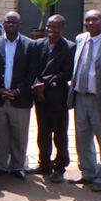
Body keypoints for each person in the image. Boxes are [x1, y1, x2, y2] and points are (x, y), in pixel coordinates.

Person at [68, 10, 101, 192]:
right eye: (87, 20)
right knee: (82, 138)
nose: (90, 23)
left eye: (94, 19)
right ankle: (88, 172)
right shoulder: (81, 39)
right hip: (81, 97)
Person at [0, 11, 38, 179]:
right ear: (3, 24)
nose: (10, 25)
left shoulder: (30, 45)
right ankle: (0, 165)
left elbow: (33, 72)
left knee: (19, 134)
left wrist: (18, 90)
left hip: (20, 98)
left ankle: (17, 166)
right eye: (7, 22)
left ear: (20, 25)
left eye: (14, 22)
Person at [27, 15, 75, 183]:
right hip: (40, 97)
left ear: (63, 28)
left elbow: (66, 73)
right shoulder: (38, 45)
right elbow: (32, 69)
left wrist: (44, 86)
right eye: (49, 26)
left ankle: (60, 166)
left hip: (58, 96)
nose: (51, 30)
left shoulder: (69, 47)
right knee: (42, 131)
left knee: (60, 133)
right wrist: (36, 88)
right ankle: (44, 163)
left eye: (55, 27)